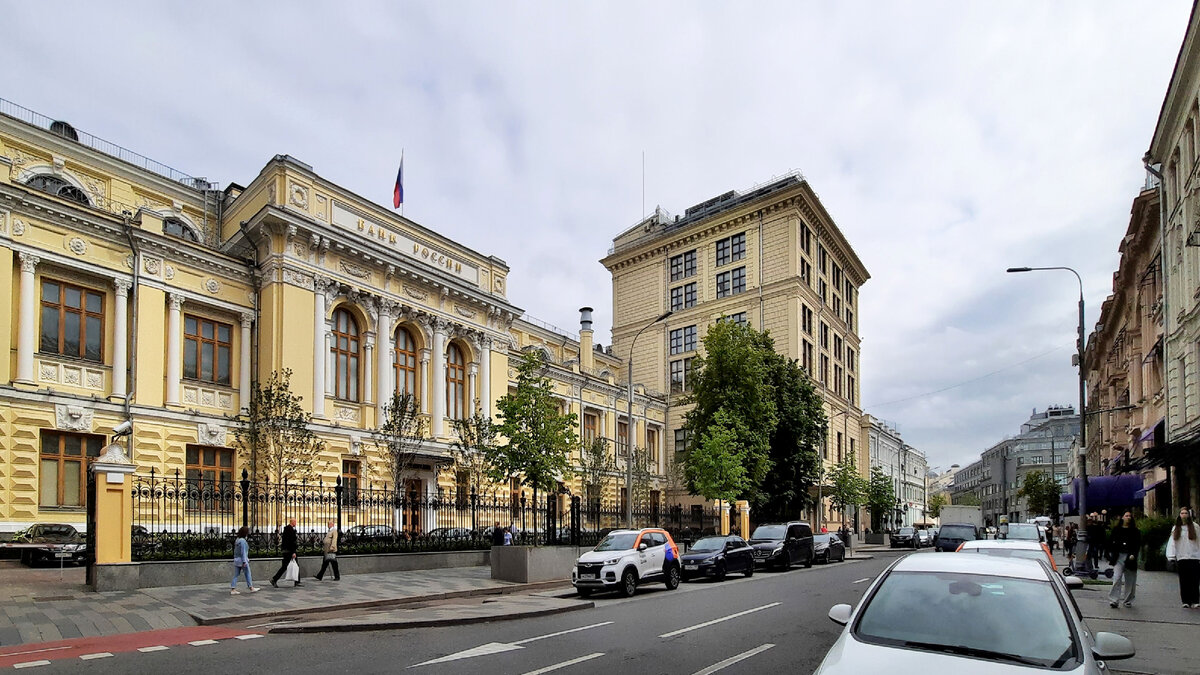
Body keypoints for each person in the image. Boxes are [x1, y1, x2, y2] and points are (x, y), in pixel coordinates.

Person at [1166, 506, 1200, 608]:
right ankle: (1185, 600)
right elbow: (1172, 543)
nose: (1184, 515)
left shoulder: (1195, 527)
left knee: (1194, 580)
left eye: (1186, 513)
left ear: (1189, 515)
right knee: (1184, 580)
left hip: (1194, 557)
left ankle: (1195, 600)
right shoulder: (1176, 528)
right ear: (1179, 515)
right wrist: (1171, 556)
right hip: (1182, 557)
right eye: (1182, 513)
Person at [1107, 511, 1141, 608]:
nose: (1128, 518)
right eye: (1126, 516)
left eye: (1130, 516)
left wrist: (1134, 554)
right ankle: (1114, 599)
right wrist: (1110, 554)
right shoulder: (1116, 530)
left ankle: (1128, 600)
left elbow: (1137, 544)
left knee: (1130, 580)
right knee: (1117, 578)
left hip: (1130, 557)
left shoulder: (1135, 531)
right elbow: (1110, 542)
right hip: (1118, 557)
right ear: (1122, 517)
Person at [270, 517, 302, 588]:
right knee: (286, 566)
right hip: (289, 551)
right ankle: (274, 579)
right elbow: (291, 542)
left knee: (286, 566)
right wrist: (293, 552)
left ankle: (297, 581)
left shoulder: (286, 529)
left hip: (286, 551)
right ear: (292, 522)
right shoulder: (290, 530)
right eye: (295, 522)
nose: (296, 523)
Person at [230, 526, 259, 595]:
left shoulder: (237, 540)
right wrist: (244, 561)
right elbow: (243, 552)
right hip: (242, 560)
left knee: (236, 575)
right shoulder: (243, 541)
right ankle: (251, 587)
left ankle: (233, 589)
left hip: (237, 560)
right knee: (248, 573)